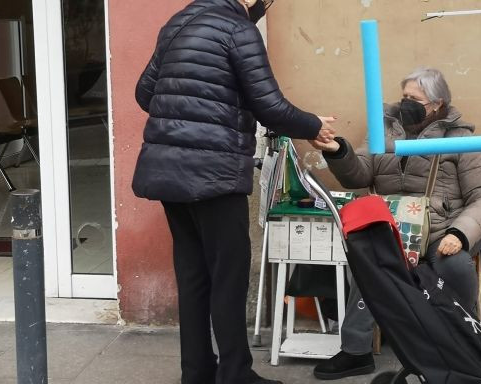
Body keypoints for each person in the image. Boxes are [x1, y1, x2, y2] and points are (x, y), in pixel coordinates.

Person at [131, 1, 335, 383]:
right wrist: (312, 125)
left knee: (192, 277)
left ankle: (196, 373)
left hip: (167, 171)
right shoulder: (238, 30)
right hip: (214, 174)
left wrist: (192, 110)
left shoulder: (177, 24)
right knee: (228, 275)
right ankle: (235, 374)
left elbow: (146, 94)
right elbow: (269, 106)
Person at [310, 67, 481, 380]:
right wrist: (338, 151)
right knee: (368, 262)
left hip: (441, 228)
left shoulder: (461, 138)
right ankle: (356, 351)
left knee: (455, 267)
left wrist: (460, 234)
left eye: (415, 99)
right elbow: (358, 174)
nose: (405, 103)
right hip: (392, 227)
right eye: (404, 97)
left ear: (437, 104)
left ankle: (461, 346)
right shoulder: (384, 129)